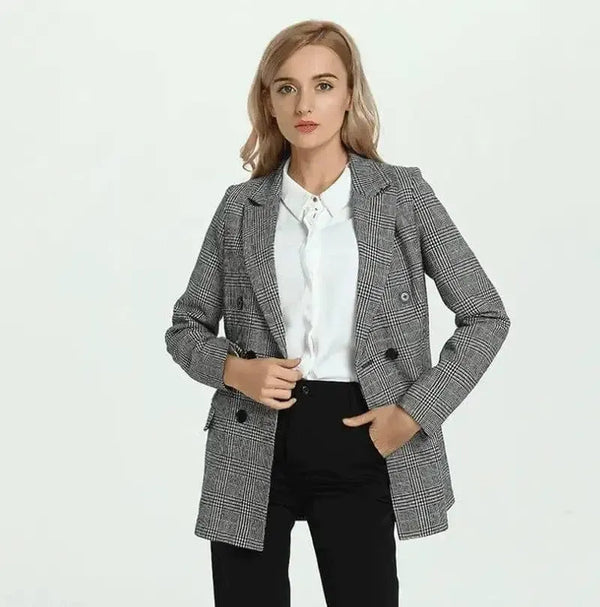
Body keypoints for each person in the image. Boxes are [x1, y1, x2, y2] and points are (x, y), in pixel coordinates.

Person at [164, 19, 510, 607]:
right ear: (269, 102)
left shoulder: (402, 195)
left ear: (349, 95)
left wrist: (414, 413)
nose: (305, 104)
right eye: (287, 88)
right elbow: (185, 329)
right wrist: (235, 370)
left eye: (323, 85)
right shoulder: (240, 207)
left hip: (361, 433)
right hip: (252, 439)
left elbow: (485, 316)